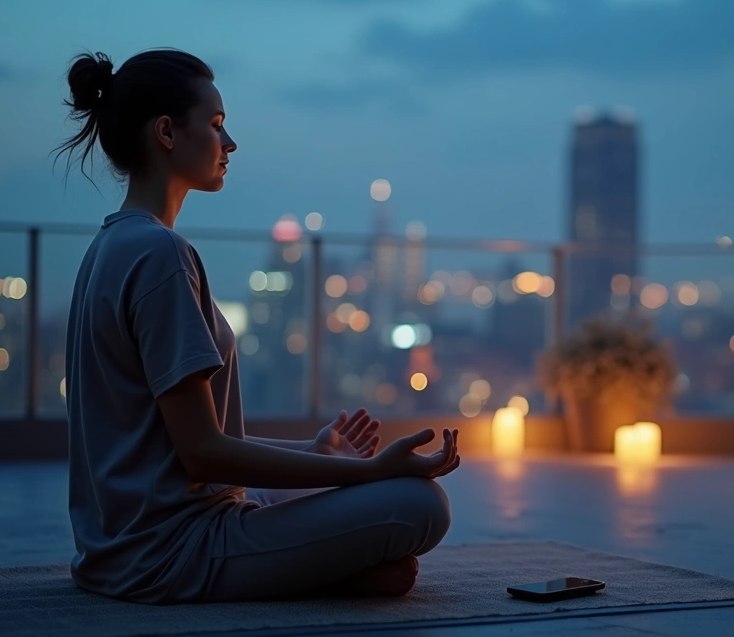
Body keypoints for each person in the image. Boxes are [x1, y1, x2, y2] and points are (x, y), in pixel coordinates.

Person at [56, 48, 459, 605]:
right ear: (167, 132)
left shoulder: (110, 245)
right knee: (421, 505)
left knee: (341, 482)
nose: (230, 143)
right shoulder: (159, 255)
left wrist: (318, 455)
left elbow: (185, 446)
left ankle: (327, 559)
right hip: (172, 551)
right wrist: (366, 476)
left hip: (121, 544)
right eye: (217, 125)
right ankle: (334, 574)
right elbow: (203, 453)